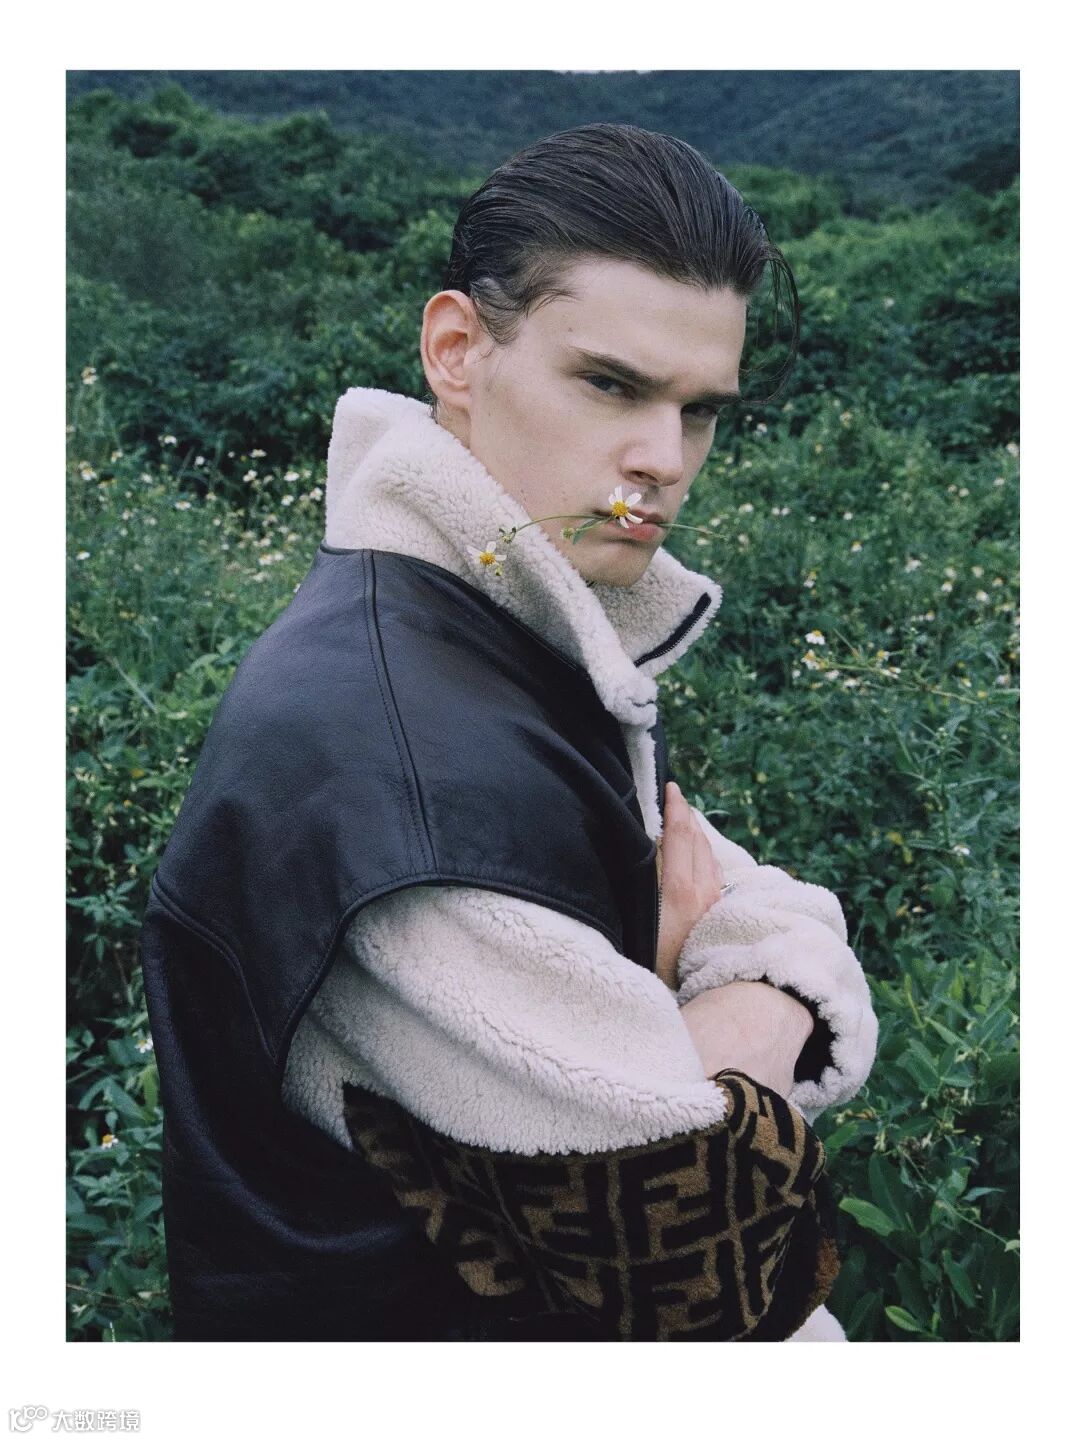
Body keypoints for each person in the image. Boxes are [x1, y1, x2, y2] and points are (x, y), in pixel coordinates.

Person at [140, 122, 877, 1343]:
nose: (663, 460)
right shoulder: (400, 769)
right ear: (456, 351)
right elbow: (714, 1264)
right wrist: (745, 1008)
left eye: (700, 410)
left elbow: (747, 900)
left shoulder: (496, 621)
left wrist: (693, 1014)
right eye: (612, 385)